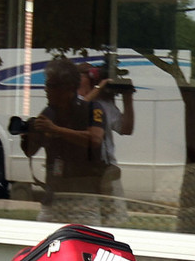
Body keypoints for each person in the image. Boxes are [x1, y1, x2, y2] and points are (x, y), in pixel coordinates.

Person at [20, 57, 108, 225]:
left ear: (68, 88)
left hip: (83, 199)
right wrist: (29, 135)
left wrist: (55, 130)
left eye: (51, 85)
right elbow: (30, 151)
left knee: (83, 239)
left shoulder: (91, 109)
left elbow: (95, 139)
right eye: (46, 85)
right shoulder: (48, 113)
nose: (46, 90)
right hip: (53, 198)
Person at [78, 64, 135, 225]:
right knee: (89, 220)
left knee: (114, 221)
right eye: (87, 75)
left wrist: (127, 97)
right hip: (82, 173)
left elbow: (126, 128)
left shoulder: (103, 104)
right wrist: (99, 87)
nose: (91, 79)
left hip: (106, 168)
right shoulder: (72, 100)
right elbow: (78, 109)